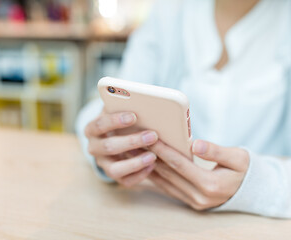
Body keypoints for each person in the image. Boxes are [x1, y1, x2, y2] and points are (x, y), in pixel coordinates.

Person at [76, 0, 291, 218]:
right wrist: (106, 144)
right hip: (159, 209)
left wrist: (257, 187)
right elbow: (105, 102)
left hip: (260, 224)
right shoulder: (169, 10)